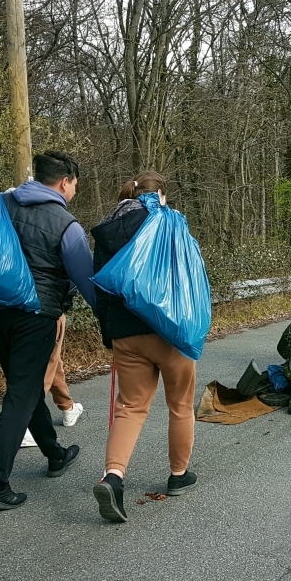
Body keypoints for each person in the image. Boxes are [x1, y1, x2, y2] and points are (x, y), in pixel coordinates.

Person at [0, 150, 98, 511]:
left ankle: (55, 454)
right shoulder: (66, 224)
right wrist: (110, 322)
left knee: (24, 387)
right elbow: (86, 281)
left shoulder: (0, 206)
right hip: (36, 313)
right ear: (65, 182)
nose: (74, 191)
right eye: (75, 184)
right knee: (20, 395)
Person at [89, 171, 198, 523]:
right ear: (161, 195)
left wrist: (110, 333)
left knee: (130, 408)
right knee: (180, 406)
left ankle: (113, 477)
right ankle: (178, 475)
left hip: (125, 332)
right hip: (169, 329)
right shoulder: (169, 223)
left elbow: (100, 288)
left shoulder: (108, 229)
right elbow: (189, 277)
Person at [19, 312, 84, 447]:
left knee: (53, 360)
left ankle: (67, 407)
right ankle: (25, 425)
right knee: (47, 364)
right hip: (46, 311)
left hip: (11, 314)